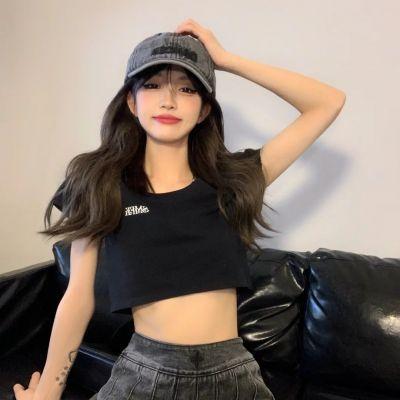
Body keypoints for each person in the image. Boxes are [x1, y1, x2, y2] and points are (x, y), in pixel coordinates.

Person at [14, 17, 345, 400]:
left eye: (187, 89)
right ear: (131, 102)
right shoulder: (99, 183)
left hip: (233, 376)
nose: (168, 100)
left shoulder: (234, 181)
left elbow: (327, 102)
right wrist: (48, 391)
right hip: (145, 373)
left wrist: (226, 60)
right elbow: (77, 297)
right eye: (152, 85)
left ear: (204, 109)